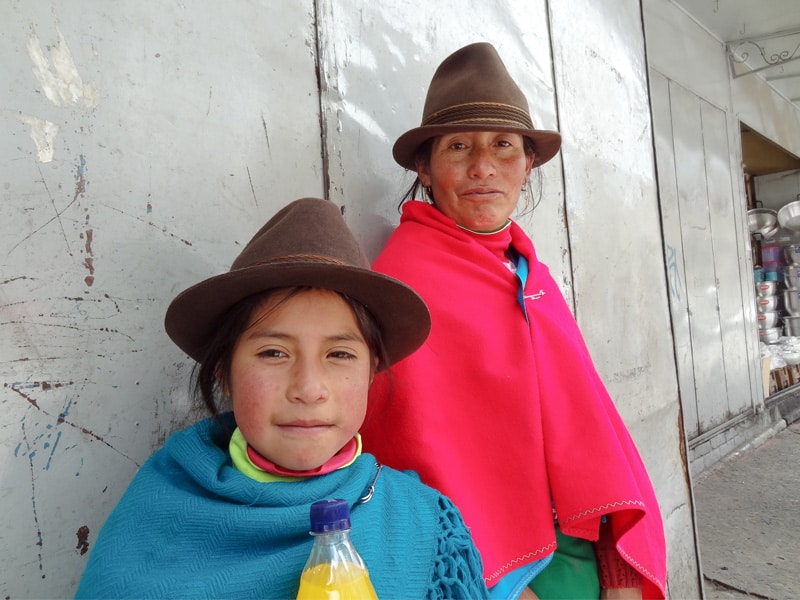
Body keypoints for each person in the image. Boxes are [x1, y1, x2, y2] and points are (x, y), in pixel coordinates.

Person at [359, 43, 668, 600]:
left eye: (503, 145)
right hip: (486, 570)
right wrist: (494, 584)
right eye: (459, 147)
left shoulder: (531, 276)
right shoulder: (403, 284)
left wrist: (617, 567)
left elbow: (587, 427)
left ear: (528, 164)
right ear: (425, 169)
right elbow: (406, 459)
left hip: (581, 549)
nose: (483, 167)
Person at [74, 197, 489, 599]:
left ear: (371, 369)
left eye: (339, 354)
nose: (308, 389)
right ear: (225, 371)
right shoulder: (154, 521)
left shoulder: (422, 523)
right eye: (274, 353)